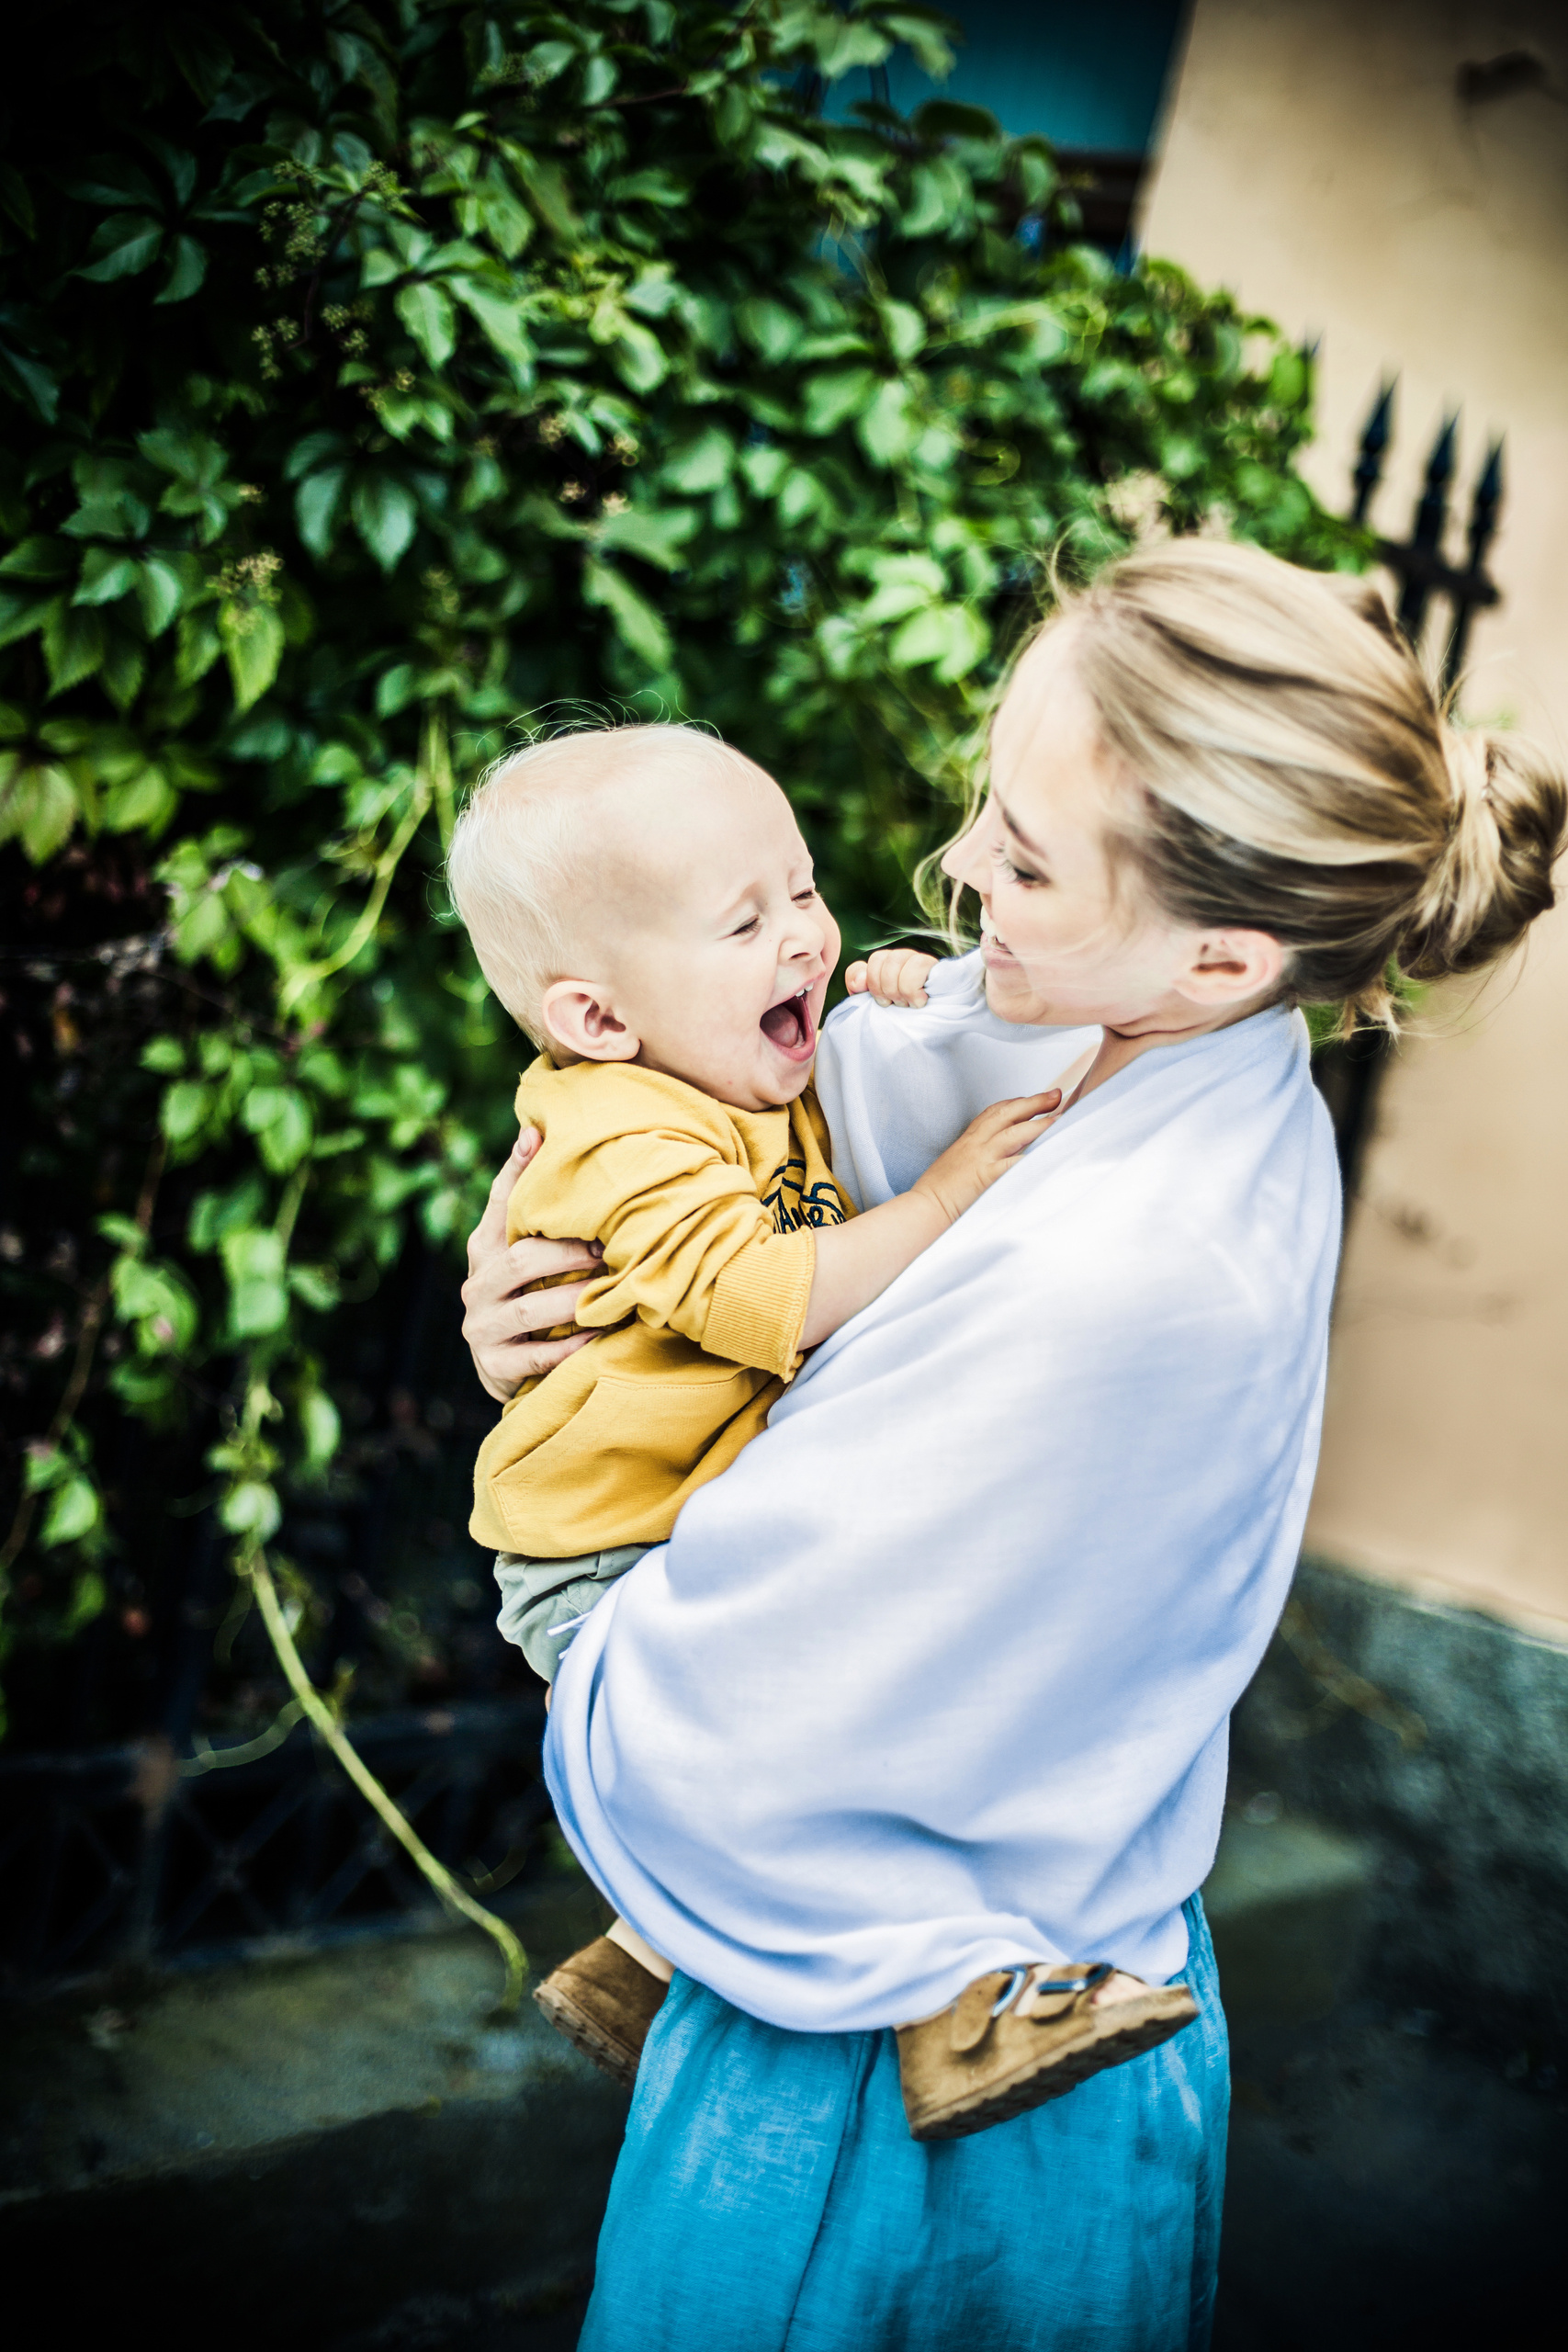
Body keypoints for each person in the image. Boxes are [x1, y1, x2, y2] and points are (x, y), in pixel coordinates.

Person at [459, 540, 1565, 2349]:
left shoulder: (1138, 1275)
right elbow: (744, 1149)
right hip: (919, 1953)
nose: (961, 860)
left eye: (1025, 854)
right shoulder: (1114, 1036)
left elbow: (746, 1729)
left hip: (887, 2087)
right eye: (993, 800)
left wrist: (579, 1530)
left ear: (1221, 945)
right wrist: (543, 1291)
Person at [445, 724, 1193, 2131]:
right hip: (606, 1557)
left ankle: (641, 1963)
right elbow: (775, 1292)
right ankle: (961, 2018)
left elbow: (859, 1123)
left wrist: (915, 1016)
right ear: (600, 1018)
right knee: (842, 1744)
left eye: (801, 889)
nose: (804, 933)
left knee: (816, 1734)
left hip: (692, 1522)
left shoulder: (724, 1075)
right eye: (746, 920)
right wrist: (949, 1194)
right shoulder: (626, 1133)